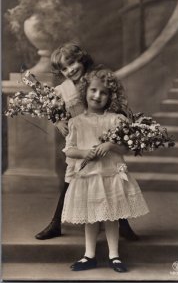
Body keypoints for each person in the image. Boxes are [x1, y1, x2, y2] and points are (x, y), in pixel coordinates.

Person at [35, 43, 139, 241]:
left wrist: (117, 126)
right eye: (64, 68)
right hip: (80, 138)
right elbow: (49, 105)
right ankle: (56, 223)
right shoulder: (63, 89)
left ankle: (123, 225)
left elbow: (115, 100)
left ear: (81, 59)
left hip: (102, 134)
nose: (70, 70)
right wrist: (57, 120)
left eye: (72, 63)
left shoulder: (96, 79)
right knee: (71, 179)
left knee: (113, 181)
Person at [61, 67, 149, 272]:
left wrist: (109, 145)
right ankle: (89, 255)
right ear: (85, 91)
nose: (97, 95)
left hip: (110, 174)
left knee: (112, 216)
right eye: (93, 90)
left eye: (104, 92)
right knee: (91, 217)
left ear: (111, 96)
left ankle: (114, 256)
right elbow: (69, 150)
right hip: (88, 177)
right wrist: (85, 153)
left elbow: (126, 148)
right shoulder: (76, 122)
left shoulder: (117, 120)